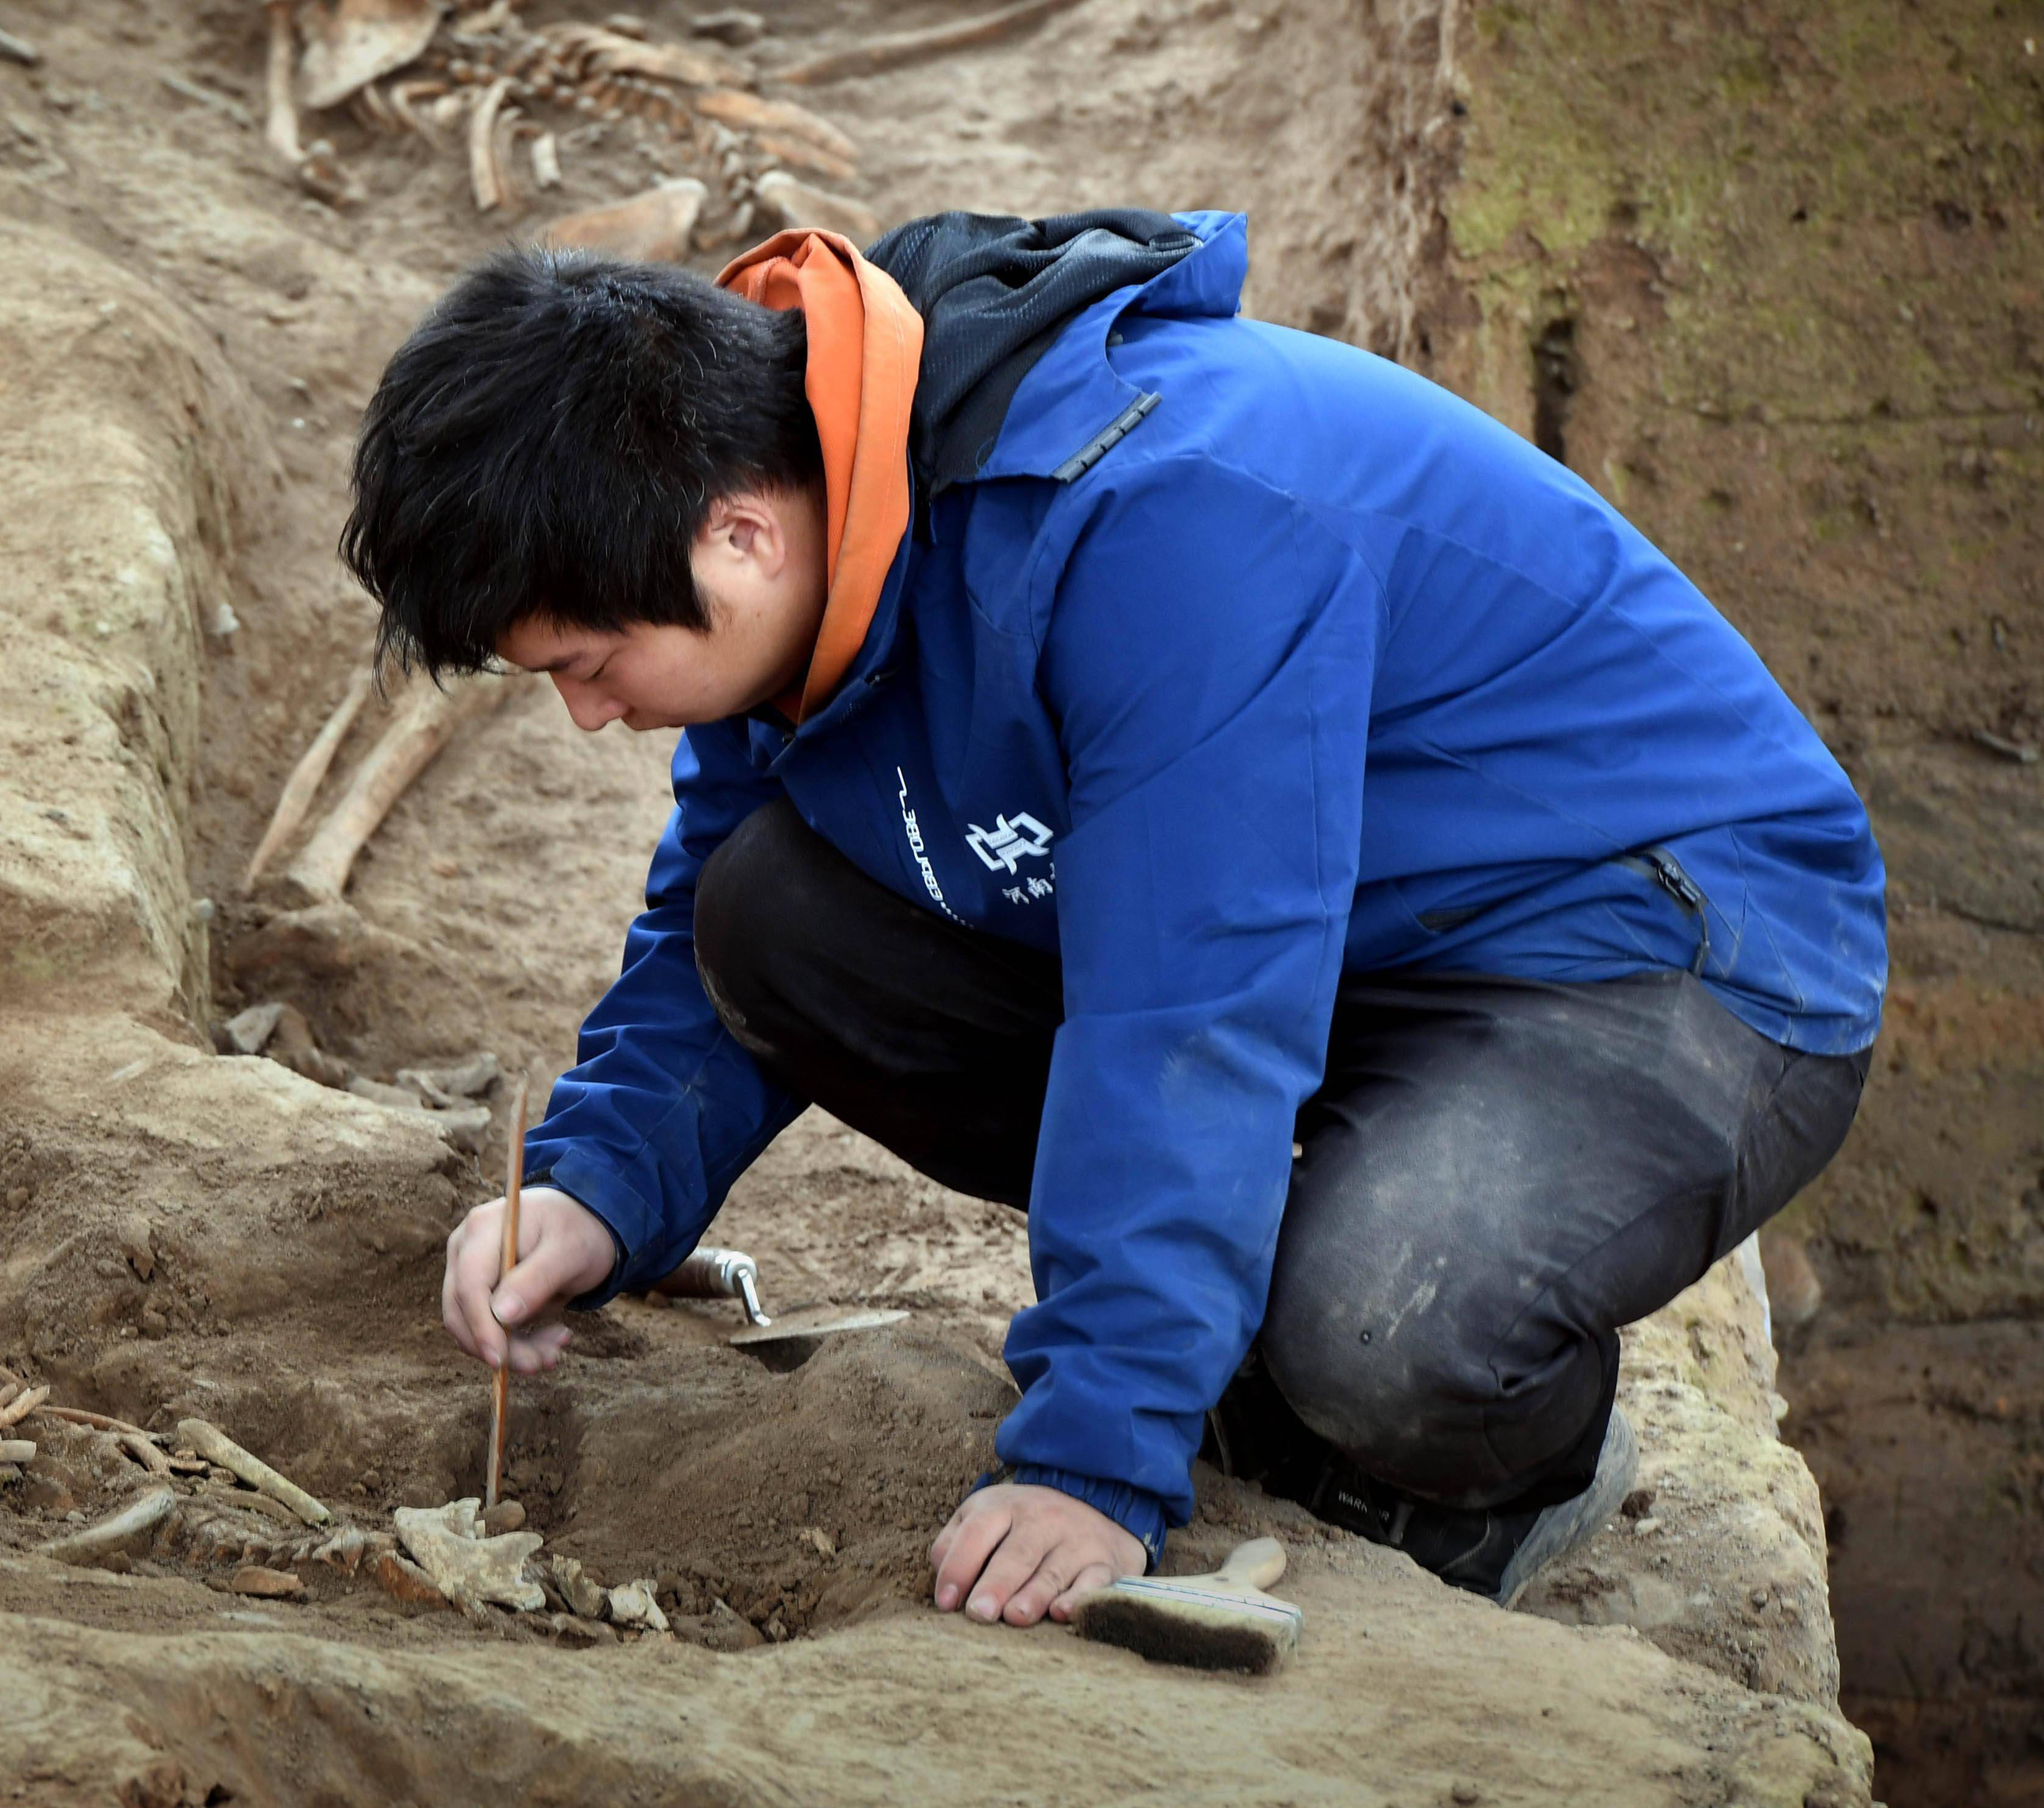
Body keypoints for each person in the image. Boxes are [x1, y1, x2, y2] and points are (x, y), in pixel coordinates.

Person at [338, 210, 1885, 1627]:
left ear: (736, 537)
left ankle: (1505, 1468)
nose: (587, 716)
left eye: (587, 663)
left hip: (1656, 934)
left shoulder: (1162, 523)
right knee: (777, 918)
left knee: (1376, 1331)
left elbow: (1191, 1012)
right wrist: (597, 1189)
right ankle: (1247, 1288)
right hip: (1349, 936)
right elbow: (709, 917)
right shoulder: (826, 502)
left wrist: (1092, 1462)